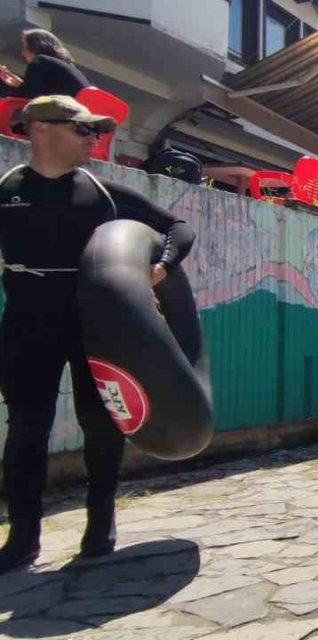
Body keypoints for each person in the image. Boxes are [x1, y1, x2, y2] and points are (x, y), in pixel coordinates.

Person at [0, 96, 195, 573]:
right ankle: (22, 539)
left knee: (101, 424)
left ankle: (100, 524)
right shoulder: (8, 190)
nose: (94, 139)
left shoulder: (102, 192)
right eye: (82, 129)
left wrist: (161, 267)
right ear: (39, 129)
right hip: (27, 325)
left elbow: (178, 228)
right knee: (26, 430)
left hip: (96, 327)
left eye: (96, 131)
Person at [1, 30, 90, 100]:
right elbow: (41, 93)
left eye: (25, 48)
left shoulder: (40, 60)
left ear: (35, 47)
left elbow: (30, 99)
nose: (22, 53)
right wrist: (20, 84)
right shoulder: (65, 68)